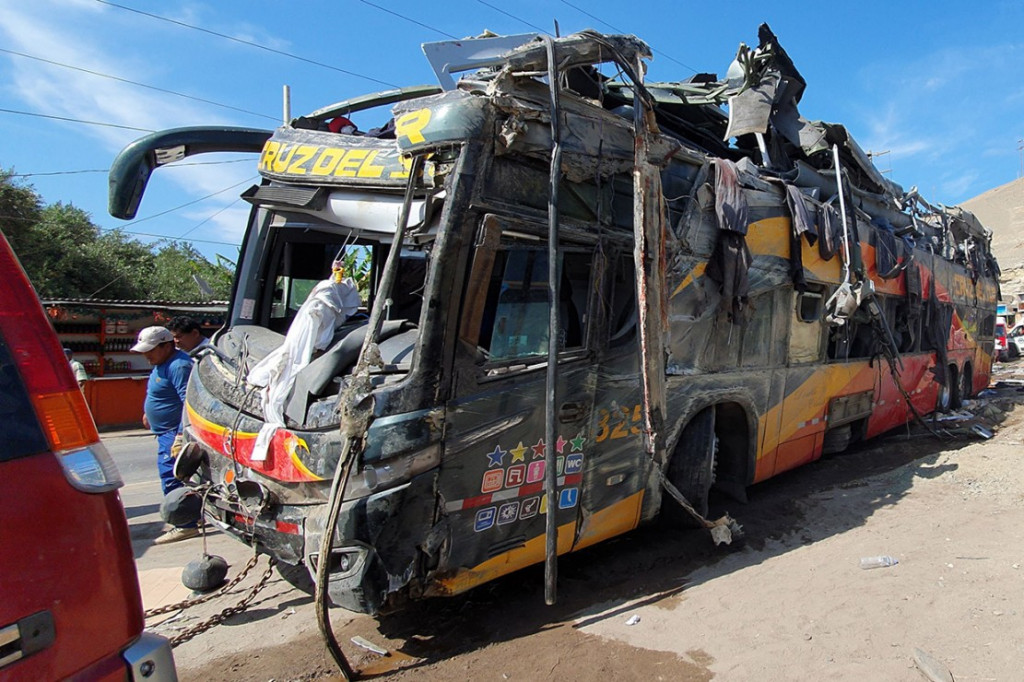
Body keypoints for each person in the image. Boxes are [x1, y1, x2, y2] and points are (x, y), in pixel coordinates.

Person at [131, 326, 199, 545]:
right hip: (164, 431)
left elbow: (188, 402)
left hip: (173, 433)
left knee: (172, 477)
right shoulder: (161, 363)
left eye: (151, 350)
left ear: (167, 345)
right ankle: (188, 519)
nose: (146, 355)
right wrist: (148, 413)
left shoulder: (179, 366)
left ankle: (185, 526)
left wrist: (180, 435)